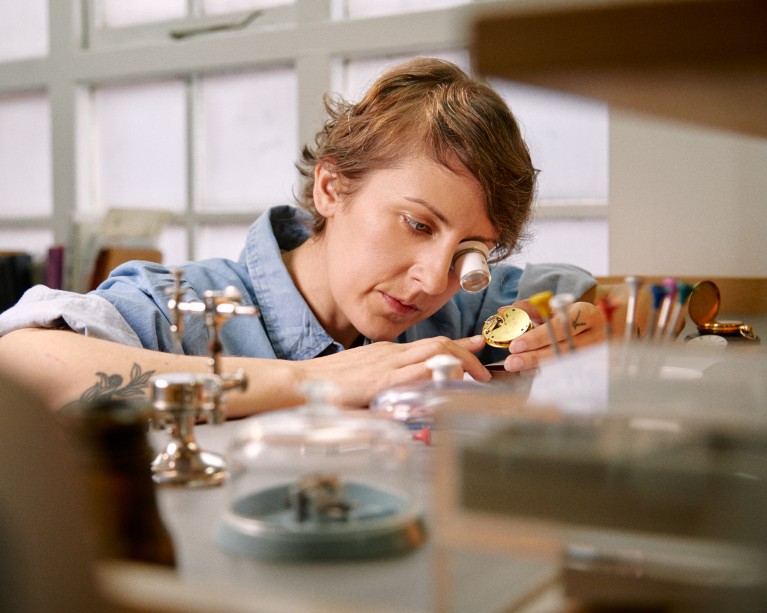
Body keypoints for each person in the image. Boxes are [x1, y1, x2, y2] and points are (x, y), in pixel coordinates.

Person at [0, 57, 606, 417]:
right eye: (417, 224)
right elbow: (21, 365)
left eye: (468, 253)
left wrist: (563, 326)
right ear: (331, 189)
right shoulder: (188, 307)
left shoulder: (460, 306)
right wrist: (314, 381)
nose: (431, 281)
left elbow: (579, 301)